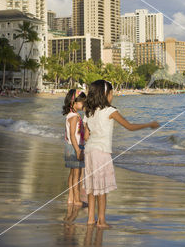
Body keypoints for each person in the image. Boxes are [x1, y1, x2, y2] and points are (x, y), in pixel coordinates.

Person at [83, 80, 159, 228]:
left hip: (89, 151)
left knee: (91, 187)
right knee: (102, 189)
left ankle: (91, 219)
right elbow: (129, 126)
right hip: (102, 152)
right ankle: (102, 221)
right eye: (111, 93)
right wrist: (148, 124)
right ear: (106, 94)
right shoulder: (110, 111)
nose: (113, 96)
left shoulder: (88, 111)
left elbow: (86, 136)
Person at [63, 89, 88, 206]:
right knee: (77, 175)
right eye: (82, 102)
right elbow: (72, 135)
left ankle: (71, 198)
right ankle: (77, 199)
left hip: (70, 147)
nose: (84, 104)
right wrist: (78, 150)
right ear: (73, 103)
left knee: (73, 174)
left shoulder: (72, 115)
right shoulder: (74, 117)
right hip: (75, 147)